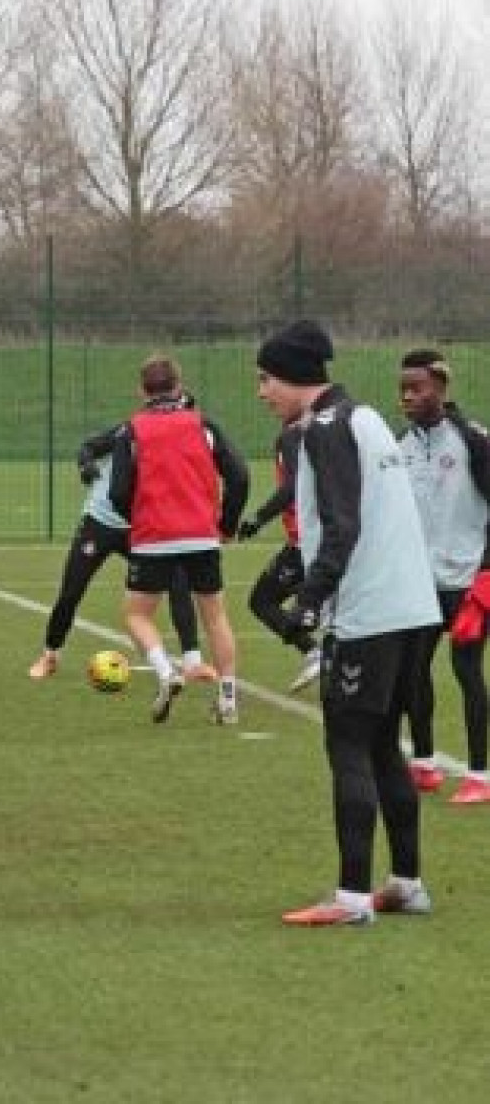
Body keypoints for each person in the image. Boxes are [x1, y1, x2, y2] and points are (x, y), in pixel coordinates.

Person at [255, 322, 441, 926]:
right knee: (386, 745)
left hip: (371, 613)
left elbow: (341, 524)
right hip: (413, 609)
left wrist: (310, 601)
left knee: (350, 747)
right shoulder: (364, 417)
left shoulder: (325, 432)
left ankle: (352, 898)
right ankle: (407, 884)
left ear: (294, 377)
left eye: (266, 379)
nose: (261, 392)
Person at [107, 355, 249, 725]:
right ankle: (229, 697)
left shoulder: (130, 431)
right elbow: (240, 476)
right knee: (215, 616)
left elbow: (118, 491)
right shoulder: (204, 425)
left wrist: (136, 521)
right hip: (202, 535)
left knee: (137, 614)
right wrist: (227, 524)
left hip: (154, 536)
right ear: (179, 386)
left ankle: (165, 672)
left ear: (142, 390)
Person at [27, 418, 206, 683]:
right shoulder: (129, 431)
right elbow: (88, 447)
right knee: (72, 590)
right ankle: (50, 654)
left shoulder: (177, 445)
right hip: (99, 523)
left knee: (178, 579)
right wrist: (86, 465)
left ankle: (193, 662)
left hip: (141, 528)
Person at [396, 348, 490, 804]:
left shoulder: (473, 440)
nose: (408, 397)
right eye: (404, 390)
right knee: (414, 671)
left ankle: (480, 775)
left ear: (441, 389)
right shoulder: (403, 445)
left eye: (417, 388)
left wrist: (485, 577)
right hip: (420, 582)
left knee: (466, 671)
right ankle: (426, 765)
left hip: (469, 580)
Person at [236, 420, 322, 694]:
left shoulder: (292, 436)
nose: (264, 395)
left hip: (306, 542)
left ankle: (316, 652)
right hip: (337, 537)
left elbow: (293, 485)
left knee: (262, 600)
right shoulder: (331, 431)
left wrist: (257, 518)